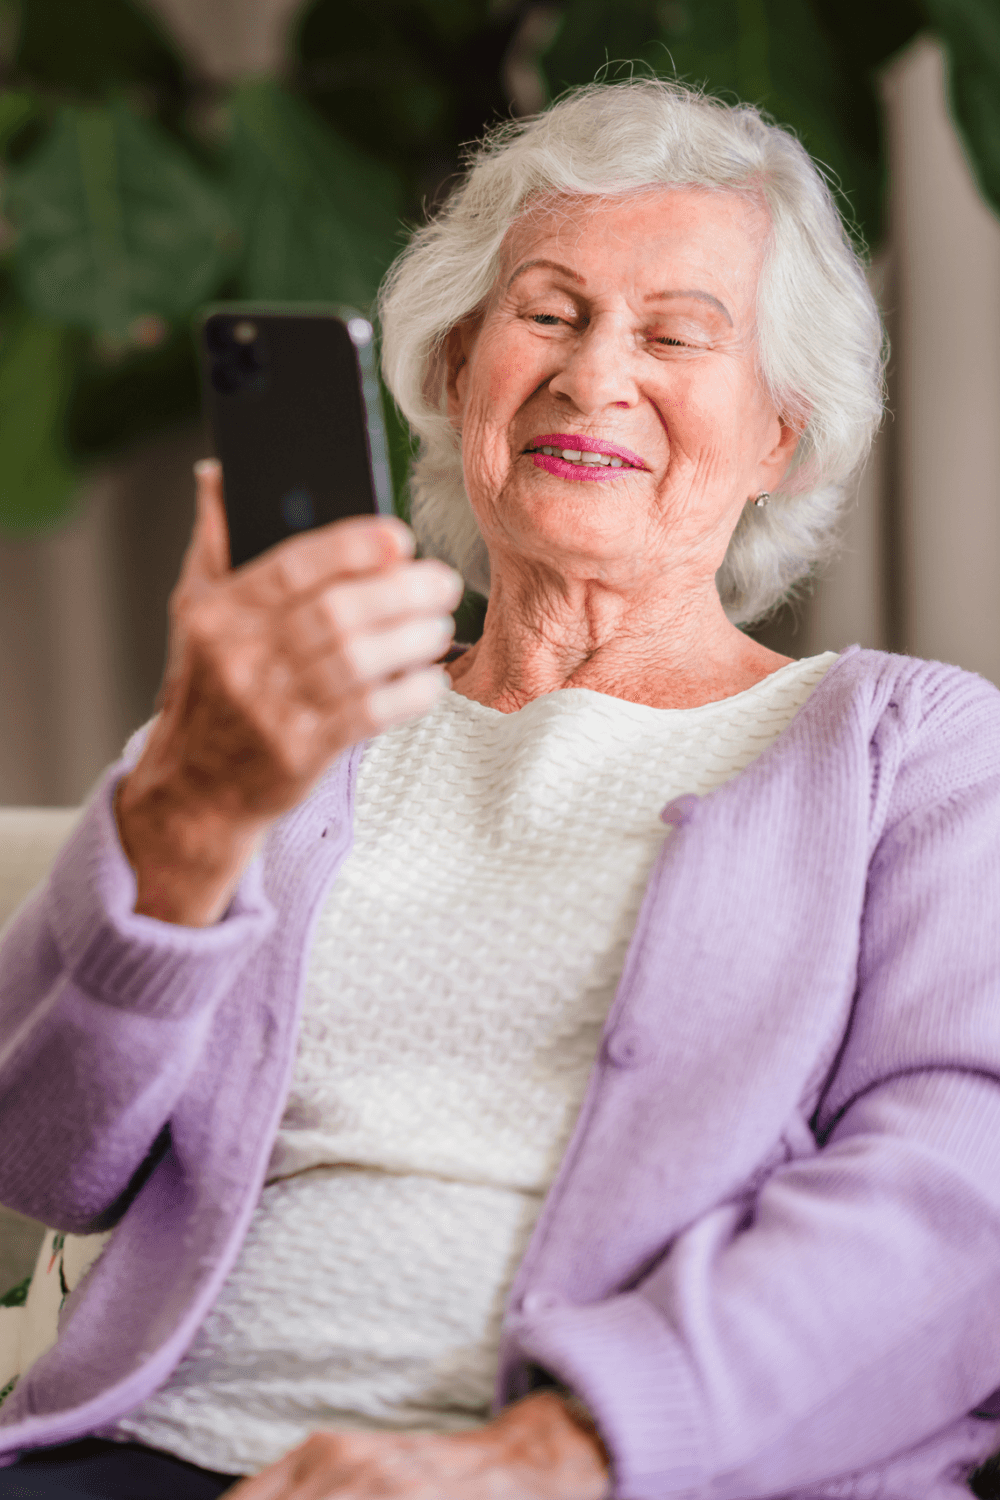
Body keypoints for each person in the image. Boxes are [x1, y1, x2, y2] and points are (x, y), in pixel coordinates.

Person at [1, 76, 1000, 1500]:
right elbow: (42, 1150)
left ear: (783, 432)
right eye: (547, 313)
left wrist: (551, 1455)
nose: (595, 377)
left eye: (674, 335)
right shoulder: (287, 713)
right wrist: (192, 807)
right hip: (151, 1452)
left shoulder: (914, 749)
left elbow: (963, 1202)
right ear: (457, 367)